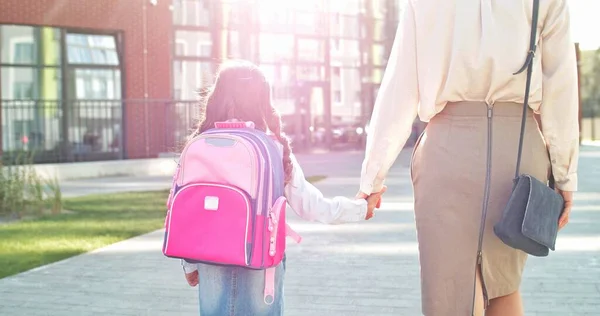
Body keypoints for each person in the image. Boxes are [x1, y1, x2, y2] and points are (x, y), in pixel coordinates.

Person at [357, 0, 578, 315]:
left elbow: (400, 87)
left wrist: (373, 177)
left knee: (450, 293)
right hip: (519, 149)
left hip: (446, 147)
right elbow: (561, 86)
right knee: (504, 285)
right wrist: (566, 174)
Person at [179, 60, 387, 316]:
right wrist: (360, 209)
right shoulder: (272, 148)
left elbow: (188, 210)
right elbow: (313, 206)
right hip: (259, 264)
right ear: (262, 98)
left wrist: (188, 264)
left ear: (217, 96)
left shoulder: (201, 145)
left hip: (208, 260)